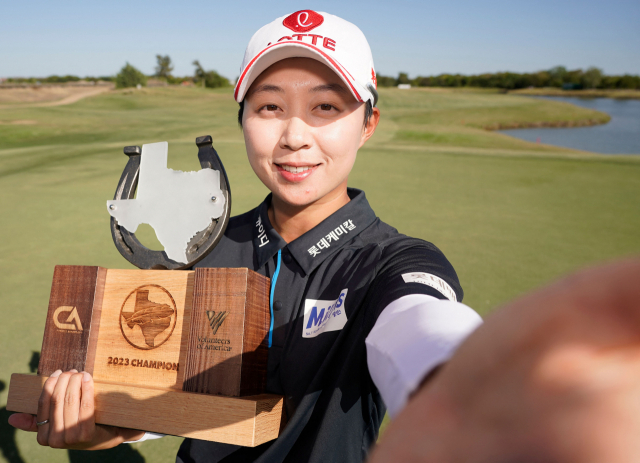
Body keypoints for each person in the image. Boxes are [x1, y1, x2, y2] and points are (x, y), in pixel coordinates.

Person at [9, 10, 483, 462]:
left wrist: (462, 381)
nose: (294, 135)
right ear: (243, 120)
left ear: (367, 124)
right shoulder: (200, 247)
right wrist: (105, 430)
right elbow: (168, 401)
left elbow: (421, 324)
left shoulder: (394, 261)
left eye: (326, 106)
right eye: (270, 106)